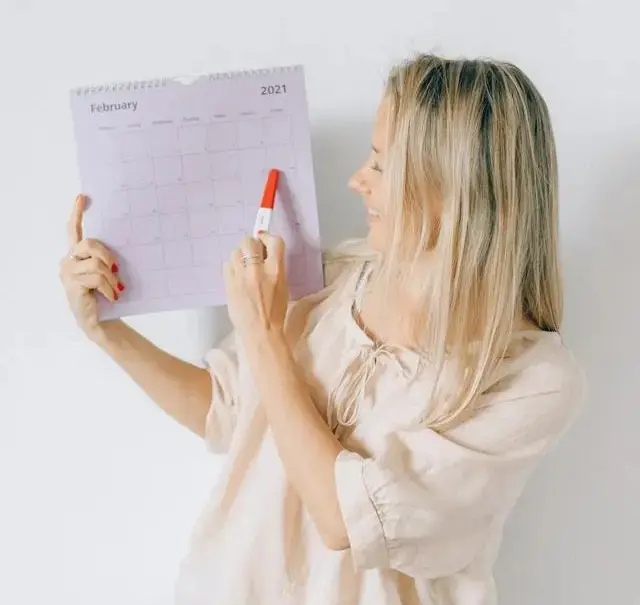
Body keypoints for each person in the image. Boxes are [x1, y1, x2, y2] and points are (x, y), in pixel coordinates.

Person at [59, 53, 586, 605]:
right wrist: (105, 331)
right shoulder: (333, 279)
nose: (356, 180)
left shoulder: (532, 380)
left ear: (451, 188)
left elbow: (347, 518)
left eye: (381, 163)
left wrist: (264, 336)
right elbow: (226, 409)